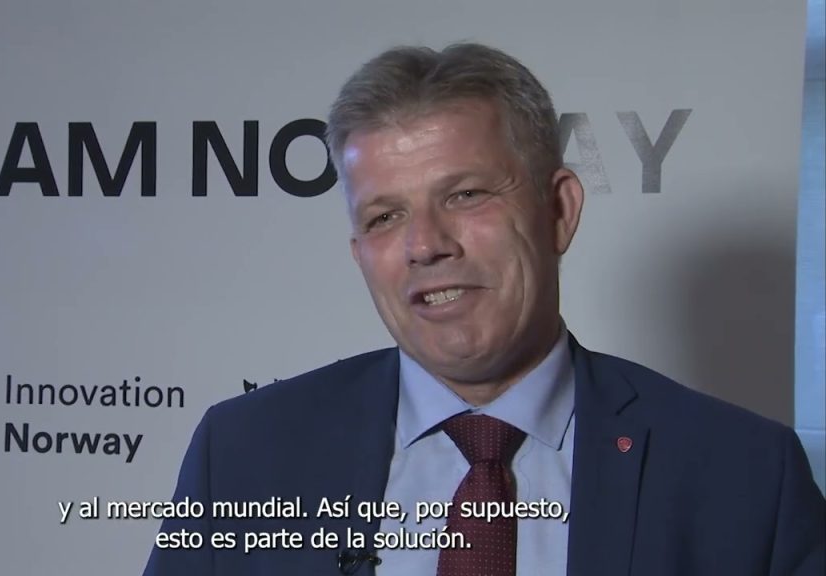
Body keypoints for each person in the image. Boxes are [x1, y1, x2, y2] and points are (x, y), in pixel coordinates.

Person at [143, 43, 825, 576]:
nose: (425, 245)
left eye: (465, 195)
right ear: (359, 254)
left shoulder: (747, 475)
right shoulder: (244, 453)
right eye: (385, 217)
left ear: (558, 210)